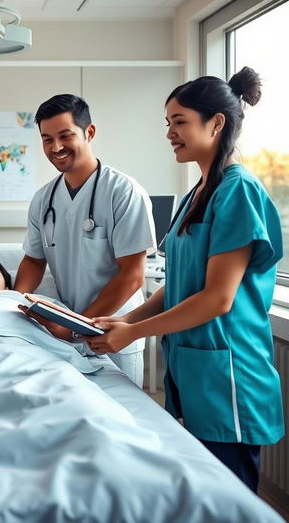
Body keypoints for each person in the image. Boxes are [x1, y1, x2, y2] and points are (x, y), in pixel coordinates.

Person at [86, 68, 284, 492]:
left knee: (227, 499)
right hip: (199, 369)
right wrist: (125, 321)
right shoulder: (199, 193)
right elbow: (178, 286)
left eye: (180, 122)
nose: (170, 133)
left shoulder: (237, 190)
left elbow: (216, 300)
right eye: (167, 124)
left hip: (228, 370)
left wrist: (134, 331)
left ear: (216, 123)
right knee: (201, 495)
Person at [14, 94, 156, 387]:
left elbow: (132, 275)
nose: (56, 148)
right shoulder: (44, 199)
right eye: (46, 139)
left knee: (122, 417)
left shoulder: (123, 192)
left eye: (65, 136)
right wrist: (15, 301)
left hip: (113, 331)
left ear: (89, 133)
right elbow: (33, 259)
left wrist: (76, 325)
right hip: (66, 331)